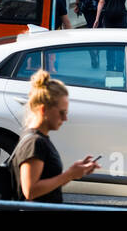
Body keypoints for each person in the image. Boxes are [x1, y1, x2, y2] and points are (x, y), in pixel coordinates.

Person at [10, 71, 98, 203]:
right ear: (43, 109)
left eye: (66, 112)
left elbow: (47, 185)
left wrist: (73, 173)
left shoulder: (37, 138)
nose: (65, 118)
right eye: (62, 112)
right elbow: (30, 191)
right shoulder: (35, 142)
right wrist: (69, 174)